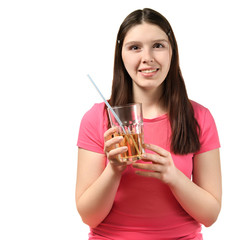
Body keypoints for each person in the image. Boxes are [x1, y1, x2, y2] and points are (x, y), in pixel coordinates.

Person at [76, 8, 222, 240]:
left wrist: (173, 176)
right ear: (121, 54)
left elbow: (210, 215)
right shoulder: (98, 118)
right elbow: (88, 217)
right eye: (135, 47)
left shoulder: (199, 117)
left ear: (172, 51)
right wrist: (113, 170)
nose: (148, 57)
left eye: (158, 45)